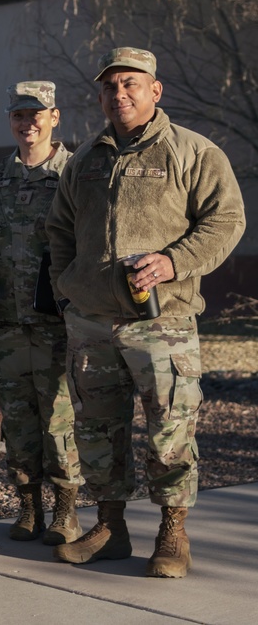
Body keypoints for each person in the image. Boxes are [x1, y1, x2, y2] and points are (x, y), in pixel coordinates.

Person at [46, 47, 245, 578]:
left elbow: (226, 221)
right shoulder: (85, 160)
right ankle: (109, 526)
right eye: (111, 87)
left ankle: (172, 532)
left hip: (163, 323)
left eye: (131, 84)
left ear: (155, 91)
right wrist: (68, 289)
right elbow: (59, 231)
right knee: (96, 431)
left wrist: (173, 261)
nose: (120, 94)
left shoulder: (193, 153)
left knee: (170, 431)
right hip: (91, 323)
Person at [0, 82, 83, 546]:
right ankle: (29, 506)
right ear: (11, 121)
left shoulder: (76, 174)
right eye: (19, 115)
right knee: (17, 421)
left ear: (54, 117)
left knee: (59, 420)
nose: (28, 122)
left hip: (58, 324)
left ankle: (66, 511)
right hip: (5, 325)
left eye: (36, 114)